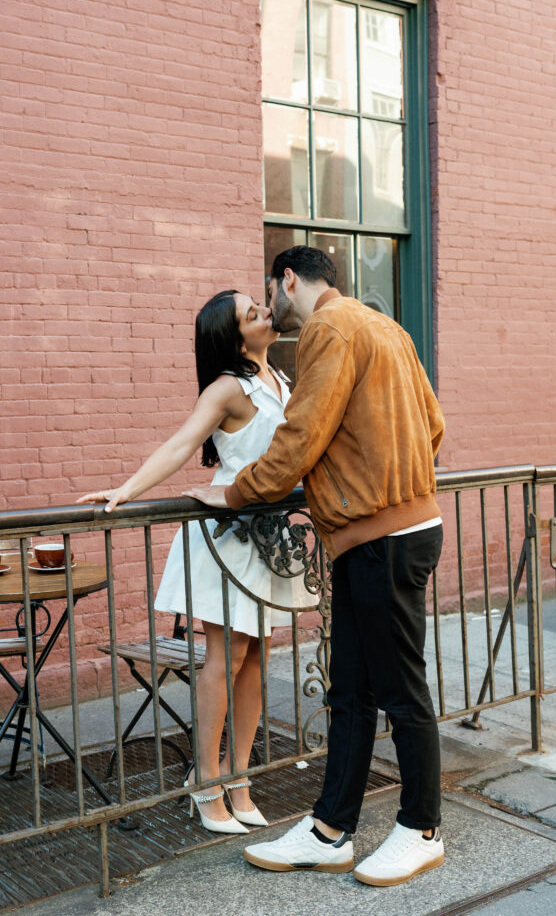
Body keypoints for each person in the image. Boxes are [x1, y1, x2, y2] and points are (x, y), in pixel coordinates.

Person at [187, 246, 445, 886]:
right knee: (351, 691)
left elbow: (299, 438)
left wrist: (235, 492)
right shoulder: (386, 327)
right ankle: (331, 829)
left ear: (289, 281)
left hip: (382, 535)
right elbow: (433, 426)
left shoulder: (329, 328)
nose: (269, 304)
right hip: (385, 531)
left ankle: (421, 828)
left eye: (269, 291)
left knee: (397, 689)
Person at [77, 289, 309, 835]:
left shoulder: (284, 381)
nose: (264, 311)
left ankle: (239, 778)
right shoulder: (228, 387)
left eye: (259, 304)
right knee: (225, 658)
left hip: (269, 535)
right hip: (226, 535)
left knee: (257, 657)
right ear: (232, 338)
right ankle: (205, 782)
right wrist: (126, 489)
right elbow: (183, 443)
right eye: (250, 313)